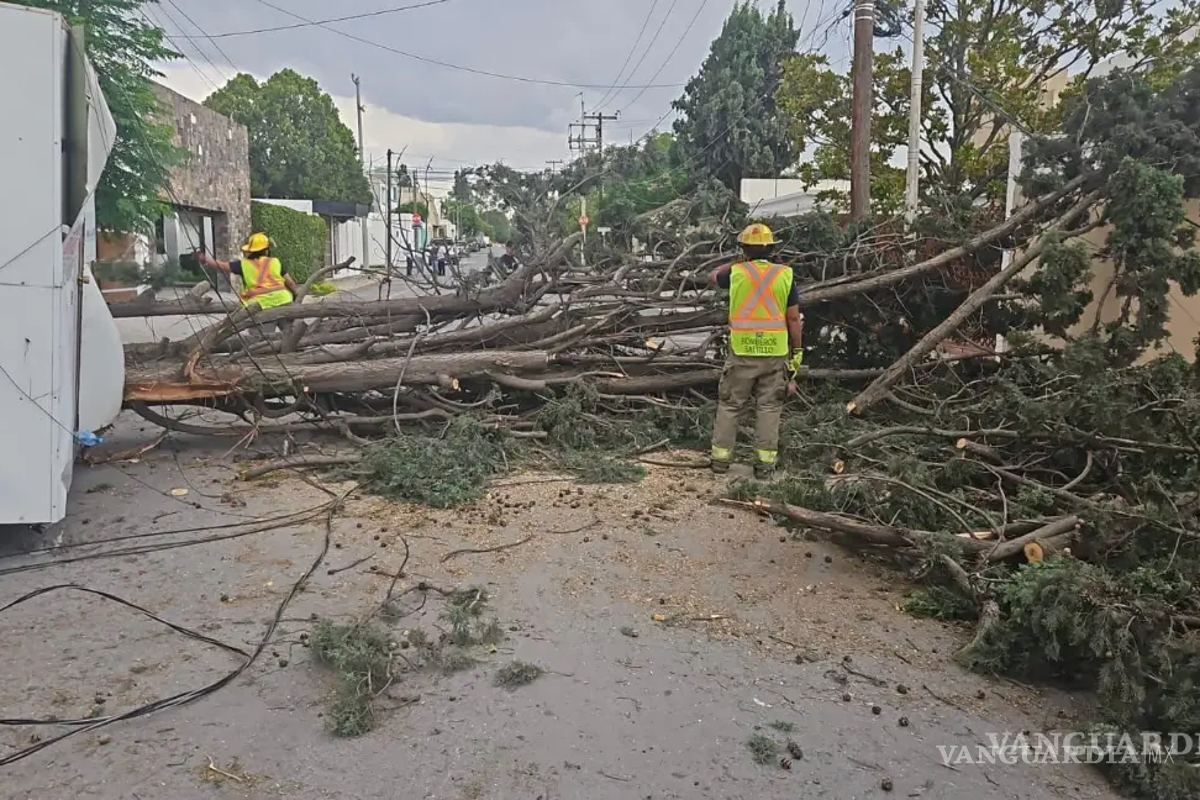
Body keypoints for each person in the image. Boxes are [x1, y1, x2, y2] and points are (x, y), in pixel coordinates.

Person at [709, 222, 804, 480]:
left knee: (730, 404)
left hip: (742, 352)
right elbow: (794, 319)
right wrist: (797, 352)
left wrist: (737, 261)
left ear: (744, 249)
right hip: (775, 353)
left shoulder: (737, 273)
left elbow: (713, 275)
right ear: (771, 249)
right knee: (769, 408)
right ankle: (764, 466)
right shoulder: (785, 275)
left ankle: (720, 461)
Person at [198, 232, 298, 310]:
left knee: (262, 336)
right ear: (266, 250)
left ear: (250, 250)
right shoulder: (275, 262)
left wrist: (205, 259)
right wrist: (296, 296)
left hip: (260, 305)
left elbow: (222, 266)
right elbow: (291, 283)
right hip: (284, 300)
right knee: (291, 332)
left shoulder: (243, 264)